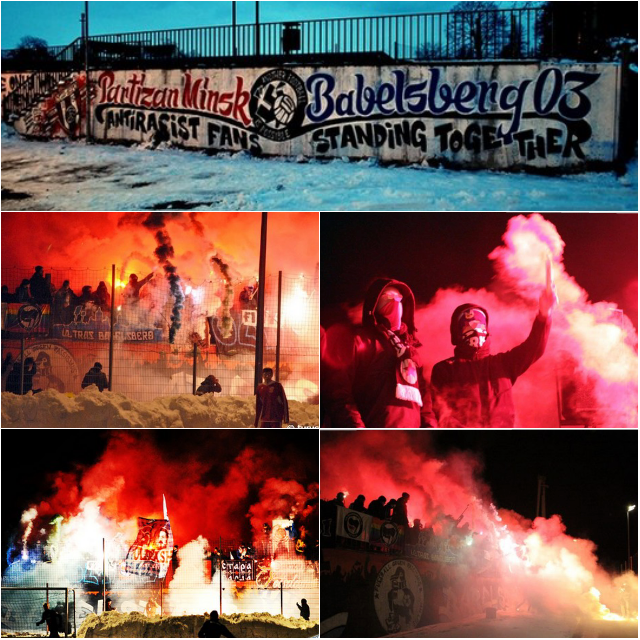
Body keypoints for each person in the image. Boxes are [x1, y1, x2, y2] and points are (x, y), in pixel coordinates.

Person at [430, 260, 557, 428]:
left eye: (480, 324)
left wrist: (544, 313)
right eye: (468, 325)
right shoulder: (445, 369)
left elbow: (534, 347)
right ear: (457, 333)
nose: (475, 329)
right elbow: (439, 411)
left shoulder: (503, 364)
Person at [322, 278, 436, 428]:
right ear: (375, 303)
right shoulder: (358, 340)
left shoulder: (412, 352)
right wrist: (358, 431)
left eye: (399, 299)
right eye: (388, 298)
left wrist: (429, 429)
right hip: (373, 437)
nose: (395, 303)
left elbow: (425, 404)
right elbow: (339, 393)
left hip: (410, 440)